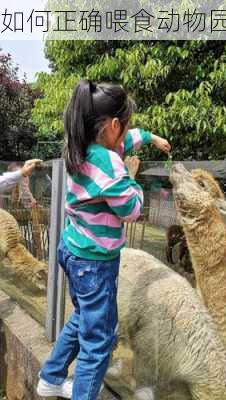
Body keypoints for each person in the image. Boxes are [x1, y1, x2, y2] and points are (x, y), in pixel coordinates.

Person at [37, 80, 171, 400]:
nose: (128, 134)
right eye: (126, 128)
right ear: (112, 127)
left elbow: (127, 142)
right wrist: (131, 174)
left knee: (83, 317)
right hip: (94, 263)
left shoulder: (81, 149)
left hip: (73, 251)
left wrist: (152, 138)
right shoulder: (112, 163)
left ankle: (51, 377)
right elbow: (131, 209)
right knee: (99, 341)